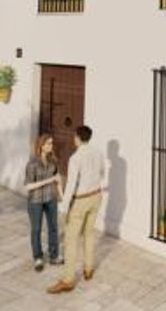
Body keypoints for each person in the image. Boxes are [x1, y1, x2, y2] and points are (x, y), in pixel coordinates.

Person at [48, 125, 105, 294]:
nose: (74, 139)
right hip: (96, 196)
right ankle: (88, 269)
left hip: (80, 200)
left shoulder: (75, 158)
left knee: (70, 240)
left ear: (78, 137)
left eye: (74, 136)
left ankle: (68, 280)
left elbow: (71, 184)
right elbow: (102, 172)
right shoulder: (98, 152)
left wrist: (64, 208)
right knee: (89, 234)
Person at [24, 134, 63, 271]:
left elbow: (58, 179)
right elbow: (28, 186)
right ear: (41, 146)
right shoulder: (32, 164)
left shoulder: (54, 161)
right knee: (36, 229)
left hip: (51, 198)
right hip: (35, 201)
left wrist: (62, 197)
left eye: (51, 143)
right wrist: (49, 180)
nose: (51, 146)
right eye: (48, 143)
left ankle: (54, 256)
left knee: (53, 227)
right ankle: (38, 257)